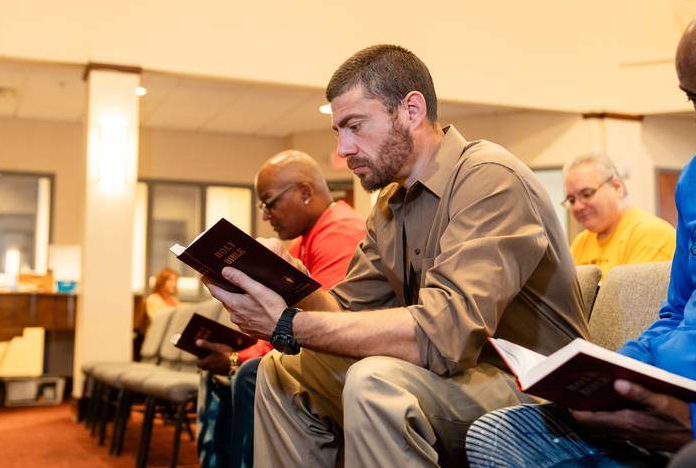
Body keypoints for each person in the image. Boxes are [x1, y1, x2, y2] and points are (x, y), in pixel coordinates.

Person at [204, 45, 590, 466]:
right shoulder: (390, 204)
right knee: (281, 373)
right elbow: (344, 313)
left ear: (411, 109)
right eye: (339, 131)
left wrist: (288, 324)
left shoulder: (490, 178)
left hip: (539, 389)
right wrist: (289, 280)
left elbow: (444, 335)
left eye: (354, 126)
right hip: (458, 376)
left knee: (376, 383)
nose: (344, 150)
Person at [465, 5, 696, 467]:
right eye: (692, 98)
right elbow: (675, 311)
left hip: (693, 426)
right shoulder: (695, 179)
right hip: (651, 401)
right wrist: (613, 371)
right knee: (498, 432)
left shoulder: (646, 233)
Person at [196, 150, 366, 468]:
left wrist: (237, 360)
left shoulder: (340, 232)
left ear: (304, 193)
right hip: (317, 351)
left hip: (348, 359)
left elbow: (320, 324)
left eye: (269, 202)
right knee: (226, 373)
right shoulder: (303, 242)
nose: (265, 215)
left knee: (251, 373)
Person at [563, 152, 675, 279]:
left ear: (617, 187)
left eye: (587, 194)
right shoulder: (581, 242)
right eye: (571, 200)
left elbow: (635, 297)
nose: (577, 206)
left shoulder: (652, 235)